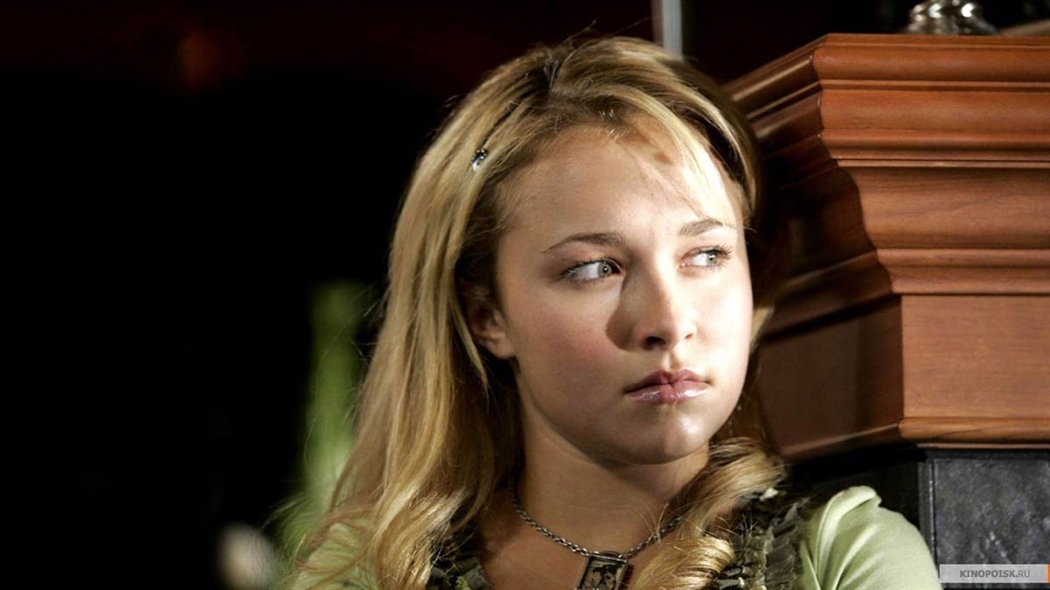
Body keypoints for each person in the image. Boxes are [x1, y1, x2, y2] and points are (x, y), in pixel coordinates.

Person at [286, 36, 942, 590]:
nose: (669, 322)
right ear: (487, 315)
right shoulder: (368, 573)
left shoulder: (841, 557)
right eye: (596, 268)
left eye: (706, 254)